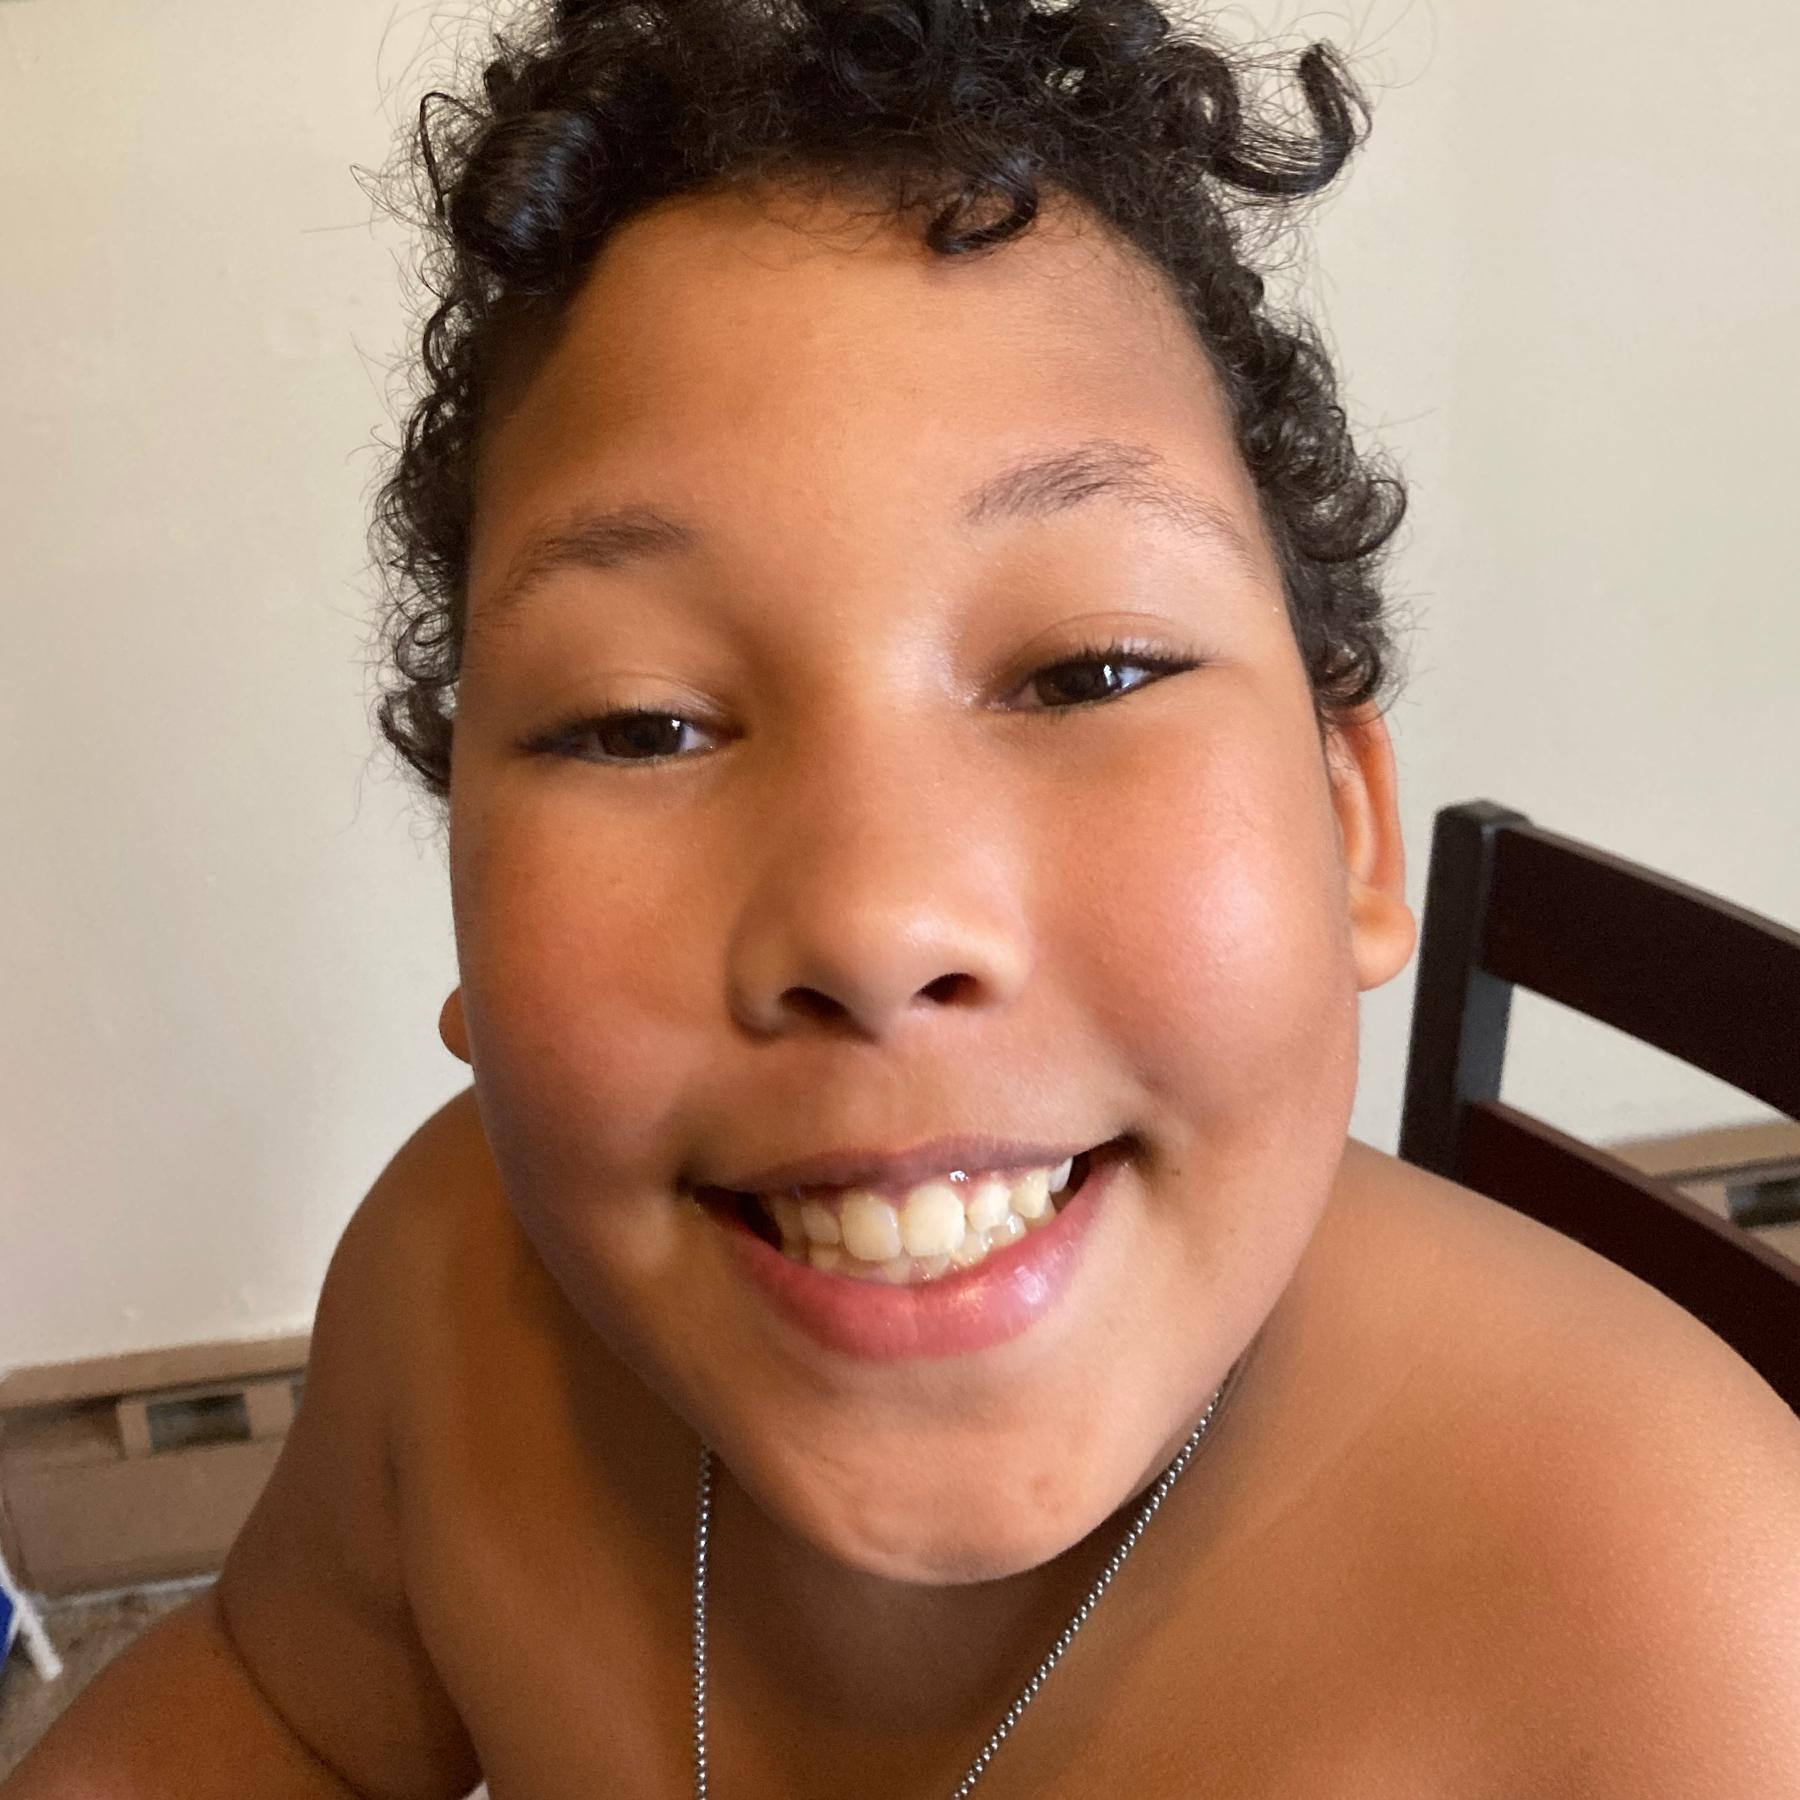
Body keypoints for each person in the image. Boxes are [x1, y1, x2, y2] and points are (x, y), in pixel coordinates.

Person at [9, 0, 1799, 1793]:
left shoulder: (1682, 1626)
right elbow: (273, 1702)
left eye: (1089, 673)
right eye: (638, 724)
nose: (874, 923)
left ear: (1349, 835)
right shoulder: (453, 1291)